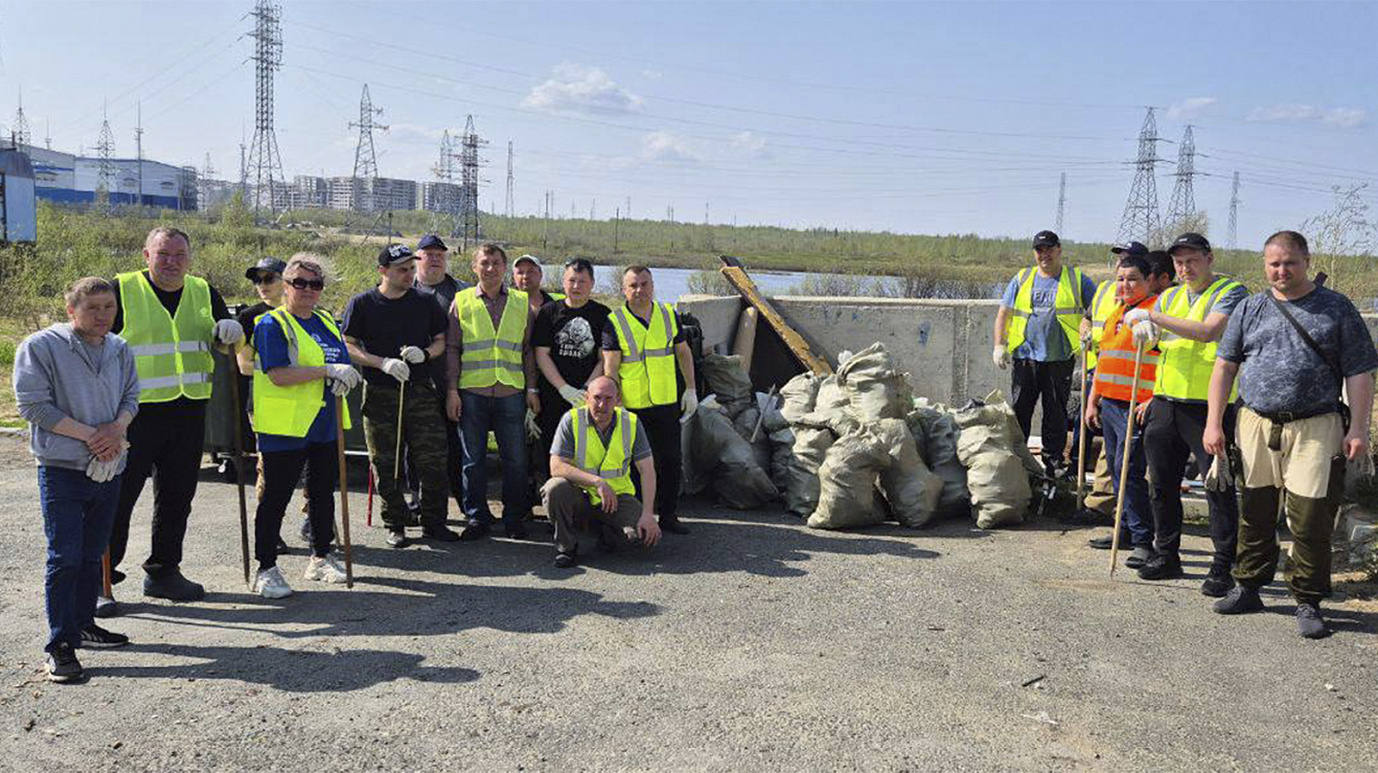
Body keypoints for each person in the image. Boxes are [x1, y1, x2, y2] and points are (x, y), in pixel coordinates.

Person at [1205, 231, 1376, 639]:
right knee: (1256, 509)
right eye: (1273, 264)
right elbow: (1225, 367)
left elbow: (1359, 372)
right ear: (1264, 265)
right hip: (1256, 423)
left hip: (1316, 425)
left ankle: (1308, 597)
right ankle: (1248, 585)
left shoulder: (1336, 309)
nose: (1281, 271)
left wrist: (1358, 428)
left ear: (1305, 260)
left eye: (1290, 263)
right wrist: (1215, 422)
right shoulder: (1251, 308)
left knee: (1311, 514)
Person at [107, 227, 242, 608]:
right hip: (133, 413)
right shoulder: (120, 290)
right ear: (146, 254)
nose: (171, 262)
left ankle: (164, 571)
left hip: (188, 409)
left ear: (190, 258)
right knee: (117, 499)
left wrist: (230, 335)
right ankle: (100, 578)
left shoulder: (203, 291)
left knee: (177, 496)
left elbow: (223, 342)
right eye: (163, 254)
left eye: (179, 255)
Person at [14, 278, 141, 682]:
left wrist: (117, 429)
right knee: (64, 556)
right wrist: (93, 436)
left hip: (109, 466)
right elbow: (33, 406)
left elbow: (132, 398)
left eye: (109, 307)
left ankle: (84, 623)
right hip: (63, 468)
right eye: (93, 308)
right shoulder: (41, 347)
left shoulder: (120, 349)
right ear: (71, 310)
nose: (103, 315)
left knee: (93, 553)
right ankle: (60, 644)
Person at [1127, 233, 1248, 594]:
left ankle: (1223, 565)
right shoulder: (1171, 296)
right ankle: (1167, 554)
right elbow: (1160, 345)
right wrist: (1143, 330)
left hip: (1209, 407)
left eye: (1191, 259)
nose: (1184, 267)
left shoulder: (1231, 291)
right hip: (1166, 401)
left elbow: (1208, 332)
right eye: (1178, 262)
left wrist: (1152, 315)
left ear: (1209, 258)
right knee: (1160, 484)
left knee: (1218, 488)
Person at [250, 255, 362, 598]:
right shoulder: (272, 324)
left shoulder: (326, 320)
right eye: (300, 283)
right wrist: (328, 372)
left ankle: (320, 556)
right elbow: (278, 374)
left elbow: (340, 360)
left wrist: (344, 376)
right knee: (276, 498)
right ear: (286, 285)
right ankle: (265, 568)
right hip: (285, 426)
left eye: (315, 284)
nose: (308, 290)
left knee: (321, 494)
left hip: (324, 423)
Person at [342, 244, 455, 547]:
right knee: (385, 461)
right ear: (383, 271)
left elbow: (441, 340)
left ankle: (434, 521)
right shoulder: (363, 303)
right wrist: (381, 362)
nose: (408, 275)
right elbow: (349, 344)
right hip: (380, 390)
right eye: (401, 270)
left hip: (419, 390)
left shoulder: (424, 302)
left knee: (432, 459)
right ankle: (395, 521)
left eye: (410, 268)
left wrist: (426, 354)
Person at [446, 243, 540, 541]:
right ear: (475, 267)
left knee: (515, 460)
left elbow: (527, 351)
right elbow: (452, 349)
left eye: (496, 262)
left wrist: (532, 388)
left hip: (510, 392)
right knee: (472, 460)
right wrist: (452, 390)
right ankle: (477, 518)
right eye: (484, 263)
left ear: (504, 267)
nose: (490, 268)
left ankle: (513, 518)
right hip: (471, 392)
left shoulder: (520, 301)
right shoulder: (461, 301)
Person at [602, 266, 698, 535]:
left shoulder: (668, 315)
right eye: (633, 285)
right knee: (635, 465)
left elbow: (683, 353)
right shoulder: (615, 320)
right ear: (624, 289)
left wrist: (690, 389)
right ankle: (637, 517)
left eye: (644, 284)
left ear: (653, 286)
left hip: (666, 402)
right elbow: (611, 366)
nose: (639, 290)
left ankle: (668, 515)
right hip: (632, 406)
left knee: (670, 461)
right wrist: (615, 404)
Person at [993, 230, 1097, 476]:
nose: (1044, 254)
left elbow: (1098, 306)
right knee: (1020, 411)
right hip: (1026, 358)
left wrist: (1089, 326)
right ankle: (1018, 463)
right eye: (1040, 250)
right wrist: (999, 344)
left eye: (1049, 249)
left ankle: (1053, 466)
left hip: (1059, 359)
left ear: (1059, 249)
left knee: (1055, 414)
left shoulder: (1076, 279)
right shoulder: (1023, 277)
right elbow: (1004, 313)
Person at [1083, 254, 1162, 568]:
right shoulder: (1119, 311)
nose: (1125, 285)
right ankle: (1125, 528)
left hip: (1136, 404)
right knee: (1117, 471)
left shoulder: (1154, 311)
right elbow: (1105, 360)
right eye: (1120, 278)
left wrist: (1153, 398)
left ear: (1147, 281)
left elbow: (1166, 360)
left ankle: (1143, 539)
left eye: (1133, 279)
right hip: (1112, 403)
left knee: (1130, 471)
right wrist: (1093, 400)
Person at [543, 376, 662, 568]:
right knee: (555, 488)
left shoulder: (631, 422)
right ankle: (567, 547)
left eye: (608, 398)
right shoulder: (571, 420)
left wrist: (648, 514)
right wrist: (597, 481)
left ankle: (604, 529)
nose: (602, 404)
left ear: (618, 400)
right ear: (587, 398)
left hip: (616, 498)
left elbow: (647, 469)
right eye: (597, 397)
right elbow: (556, 467)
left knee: (645, 539)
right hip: (579, 495)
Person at [1077, 242, 1144, 525]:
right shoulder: (1106, 288)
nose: (1121, 263)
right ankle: (1103, 503)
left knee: (1121, 455)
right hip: (1100, 371)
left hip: (1130, 381)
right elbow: (1087, 318)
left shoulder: (1146, 297)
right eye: (1119, 259)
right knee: (1105, 445)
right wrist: (1085, 334)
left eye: (1128, 259)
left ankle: (1121, 513)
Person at [233, 256, 296, 554]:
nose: (261, 285)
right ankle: (272, 529)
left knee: (309, 468)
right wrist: (289, 368)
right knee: (269, 469)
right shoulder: (249, 316)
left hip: (305, 400)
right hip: (264, 402)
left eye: (269, 278)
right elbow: (245, 365)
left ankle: (314, 522)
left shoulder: (305, 312)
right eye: (257, 280)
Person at [533, 259, 612, 481]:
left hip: (588, 397)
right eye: (571, 280)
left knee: (586, 449)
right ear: (563, 282)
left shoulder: (602, 314)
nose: (576, 286)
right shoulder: (548, 312)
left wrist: (586, 388)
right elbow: (541, 354)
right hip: (554, 395)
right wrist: (564, 388)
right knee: (553, 448)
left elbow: (603, 357)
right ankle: (554, 497)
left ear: (592, 284)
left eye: (582, 281)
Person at [410, 234, 471, 518]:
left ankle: (463, 501)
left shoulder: (463, 292)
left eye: (440, 255)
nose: (435, 259)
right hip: (414, 381)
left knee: (455, 446)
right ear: (416, 258)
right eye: (428, 254)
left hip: (452, 382)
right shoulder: (403, 288)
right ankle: (416, 501)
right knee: (415, 447)